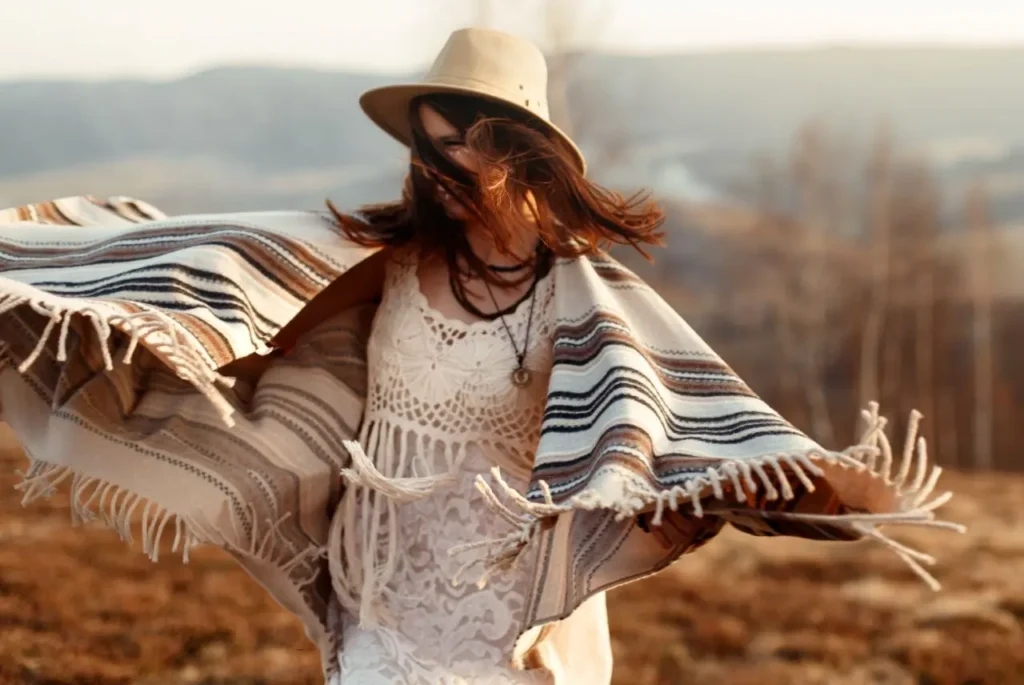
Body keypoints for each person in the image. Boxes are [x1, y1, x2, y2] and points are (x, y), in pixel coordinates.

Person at [0, 27, 961, 685]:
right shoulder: (388, 263)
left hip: (506, 622)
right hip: (383, 600)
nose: (433, 169)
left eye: (455, 147)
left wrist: (834, 486)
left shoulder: (585, 304)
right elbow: (250, 325)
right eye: (422, 149)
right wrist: (95, 300)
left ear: (521, 153)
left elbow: (673, 439)